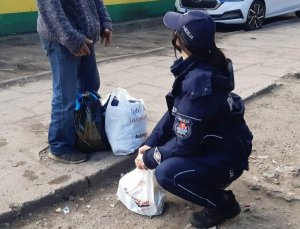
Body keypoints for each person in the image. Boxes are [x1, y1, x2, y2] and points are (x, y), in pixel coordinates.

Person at [135, 11, 253, 228]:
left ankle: (223, 204)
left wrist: (152, 157)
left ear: (181, 41)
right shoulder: (202, 65)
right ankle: (206, 178)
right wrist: (151, 142)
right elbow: (175, 112)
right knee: (165, 154)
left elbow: (185, 140)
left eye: (176, 32)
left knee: (165, 173)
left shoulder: (198, 84)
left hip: (225, 157)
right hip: (221, 145)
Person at [36, 0, 112, 163]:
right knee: (66, 96)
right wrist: (71, 39)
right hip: (61, 38)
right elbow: (50, 9)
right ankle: (60, 146)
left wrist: (104, 22)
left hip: (84, 36)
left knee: (89, 86)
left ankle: (82, 135)